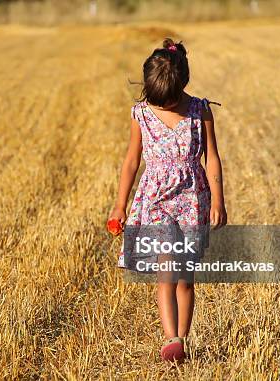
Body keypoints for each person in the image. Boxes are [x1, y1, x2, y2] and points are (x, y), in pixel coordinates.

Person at [108, 38, 227, 362]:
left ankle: (182, 342)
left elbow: (212, 158)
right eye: (157, 102)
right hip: (156, 201)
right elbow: (131, 161)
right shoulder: (140, 115)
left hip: (192, 200)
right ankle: (170, 339)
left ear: (182, 85)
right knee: (167, 271)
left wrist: (218, 199)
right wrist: (120, 204)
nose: (162, 107)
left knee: (185, 280)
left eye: (168, 101)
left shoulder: (200, 111)